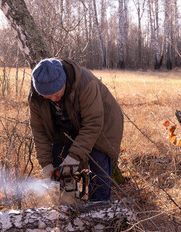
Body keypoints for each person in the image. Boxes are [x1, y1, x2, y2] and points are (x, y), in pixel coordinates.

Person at [28, 58, 124, 201]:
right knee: (59, 161)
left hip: (102, 126)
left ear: (64, 82)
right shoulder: (36, 97)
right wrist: (46, 165)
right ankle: (70, 207)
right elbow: (39, 131)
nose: (53, 100)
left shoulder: (85, 84)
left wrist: (73, 159)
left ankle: (99, 211)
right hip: (67, 129)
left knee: (98, 163)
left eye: (56, 94)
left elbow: (93, 124)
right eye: (48, 97)